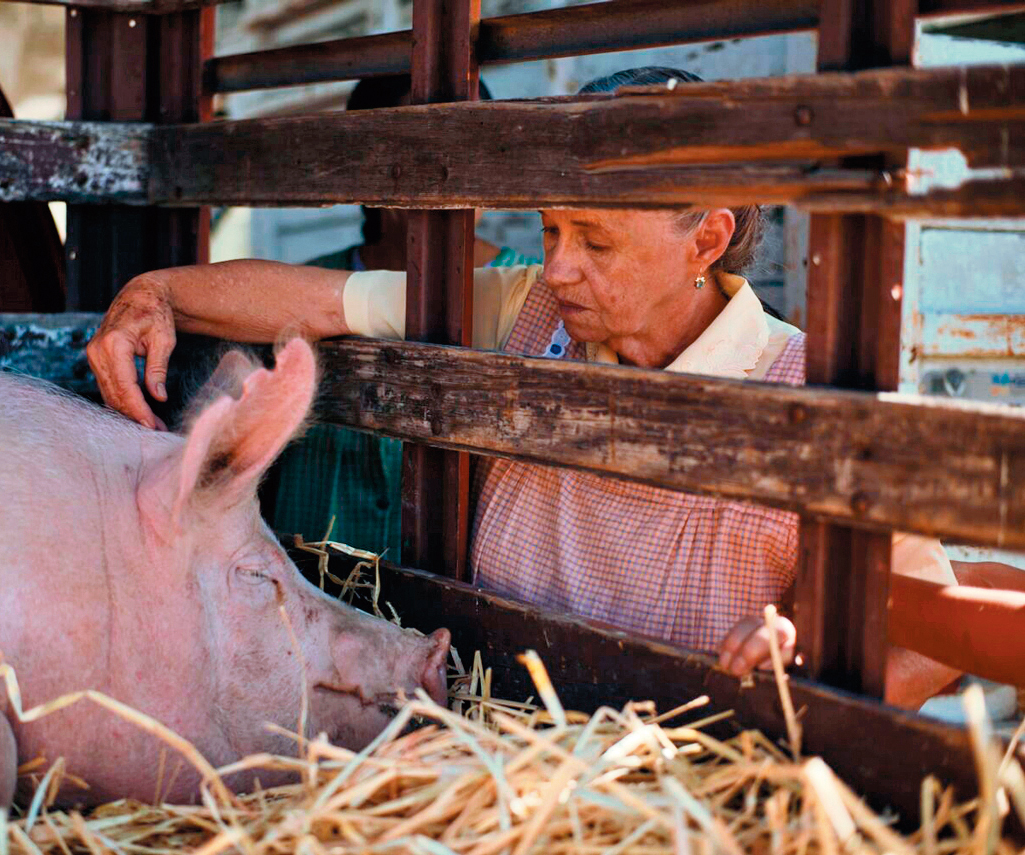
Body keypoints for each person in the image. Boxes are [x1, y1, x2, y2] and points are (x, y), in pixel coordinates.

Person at [85, 67, 960, 704]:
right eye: (548, 228)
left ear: (707, 239)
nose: (559, 266)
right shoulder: (528, 309)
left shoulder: (804, 389)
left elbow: (931, 632)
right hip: (498, 769)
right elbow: (315, 298)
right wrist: (158, 293)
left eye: (596, 240)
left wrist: (808, 668)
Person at [262, 74, 536, 556]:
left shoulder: (526, 295)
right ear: (366, 165)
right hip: (309, 583)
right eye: (414, 149)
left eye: (468, 148)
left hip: (453, 602)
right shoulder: (301, 289)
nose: (443, 170)